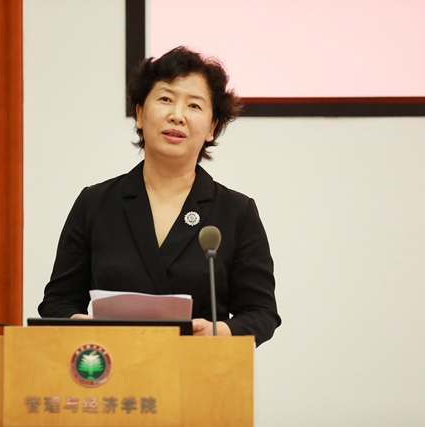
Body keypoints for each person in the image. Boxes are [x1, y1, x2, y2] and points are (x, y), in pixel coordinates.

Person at [38, 46, 280, 346]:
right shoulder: (96, 203)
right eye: (166, 99)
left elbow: (261, 313)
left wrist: (219, 332)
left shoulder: (236, 212)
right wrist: (80, 325)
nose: (177, 116)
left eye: (194, 105)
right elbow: (57, 303)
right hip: (111, 366)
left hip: (197, 366)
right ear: (140, 114)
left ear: (212, 128)